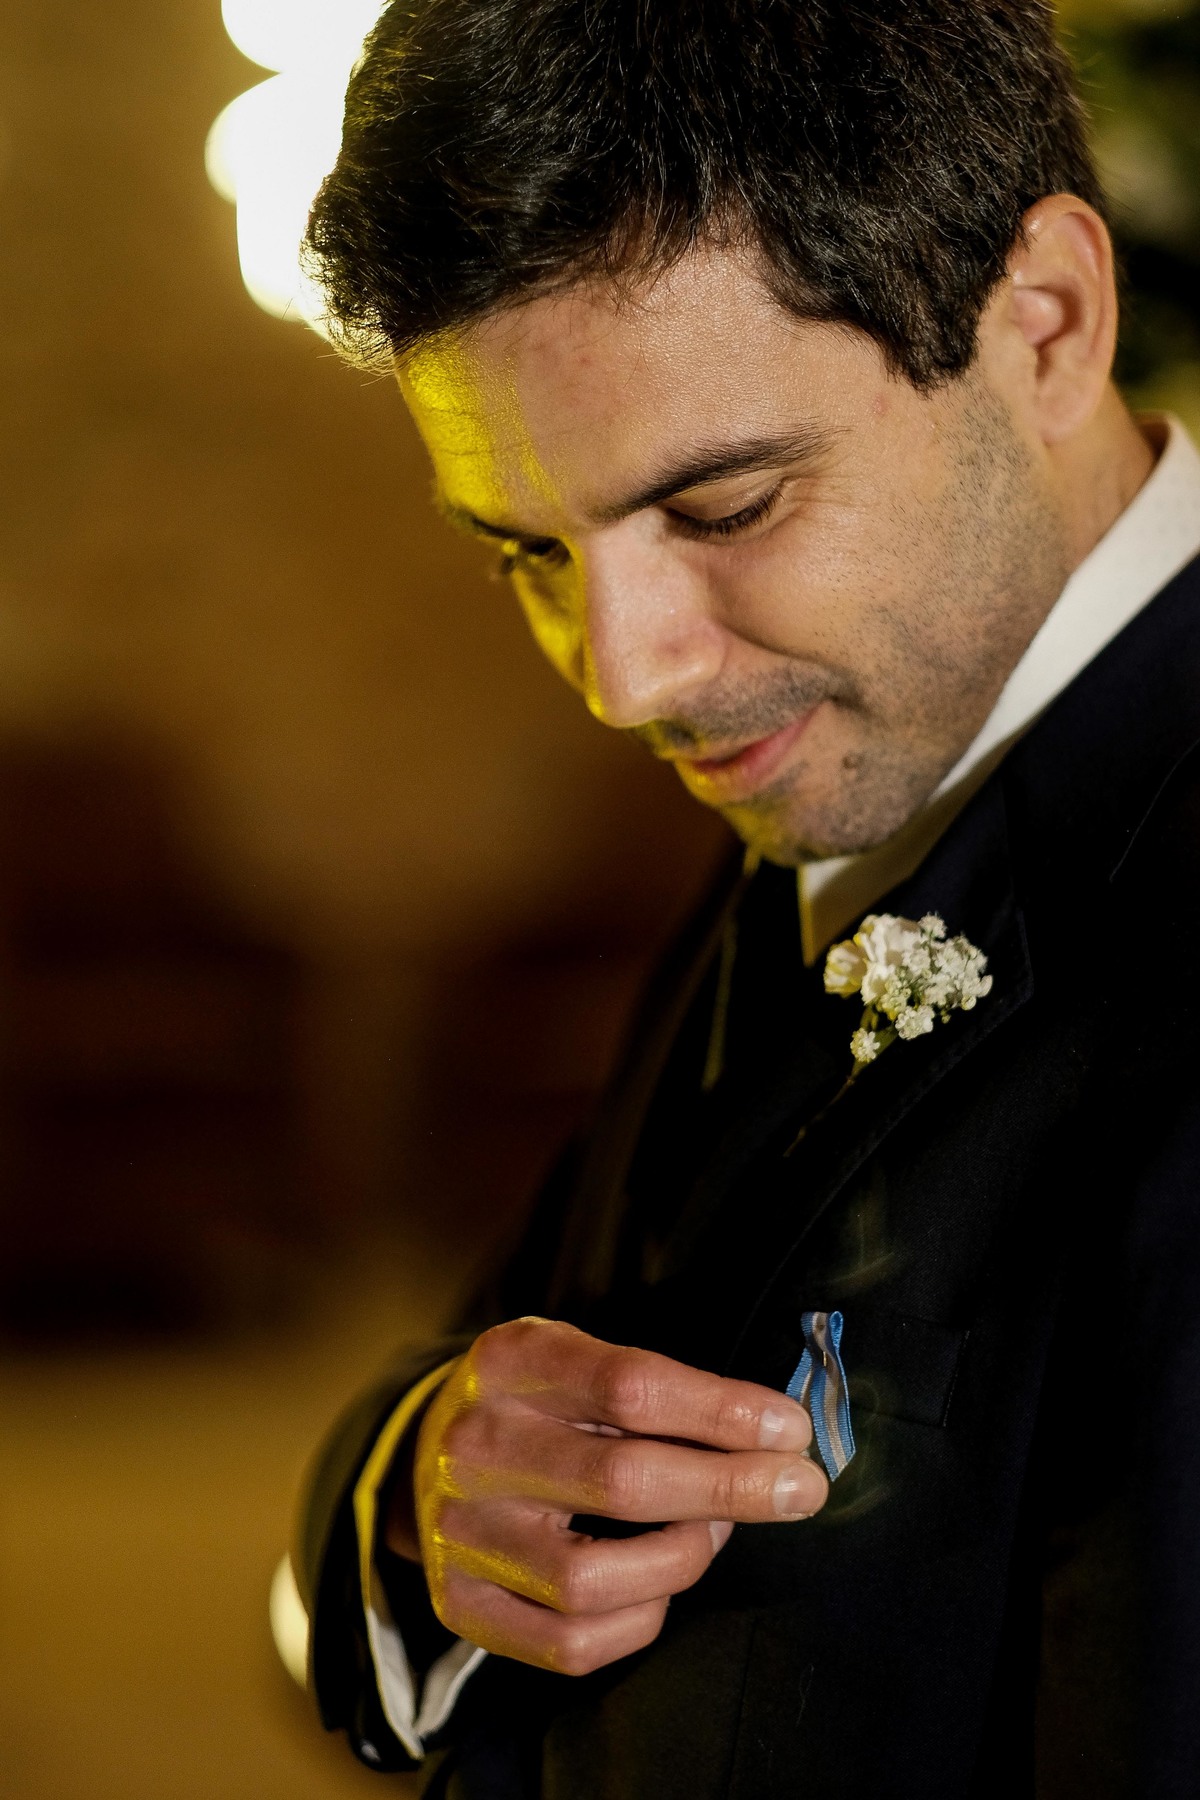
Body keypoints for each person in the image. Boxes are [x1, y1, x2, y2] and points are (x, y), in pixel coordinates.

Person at [277, 3, 1200, 1794]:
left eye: (726, 507)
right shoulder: (859, 753)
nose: (623, 675)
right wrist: (414, 1489)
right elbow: (516, 1361)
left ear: (1045, 322)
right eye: (528, 552)